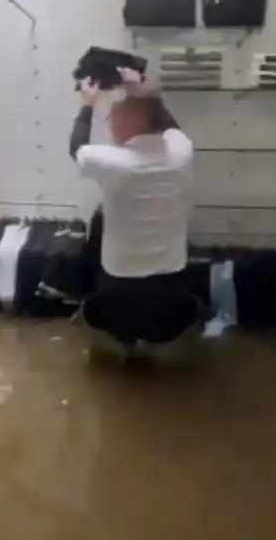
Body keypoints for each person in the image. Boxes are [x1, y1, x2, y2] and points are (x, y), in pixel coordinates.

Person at [69, 67, 204, 363]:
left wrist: (87, 103)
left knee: (106, 334)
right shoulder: (181, 153)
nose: (110, 124)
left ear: (122, 122)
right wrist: (138, 90)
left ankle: (121, 350)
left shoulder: (112, 162)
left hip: (119, 289)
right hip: (172, 289)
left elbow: (76, 147)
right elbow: (169, 124)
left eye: (112, 118)